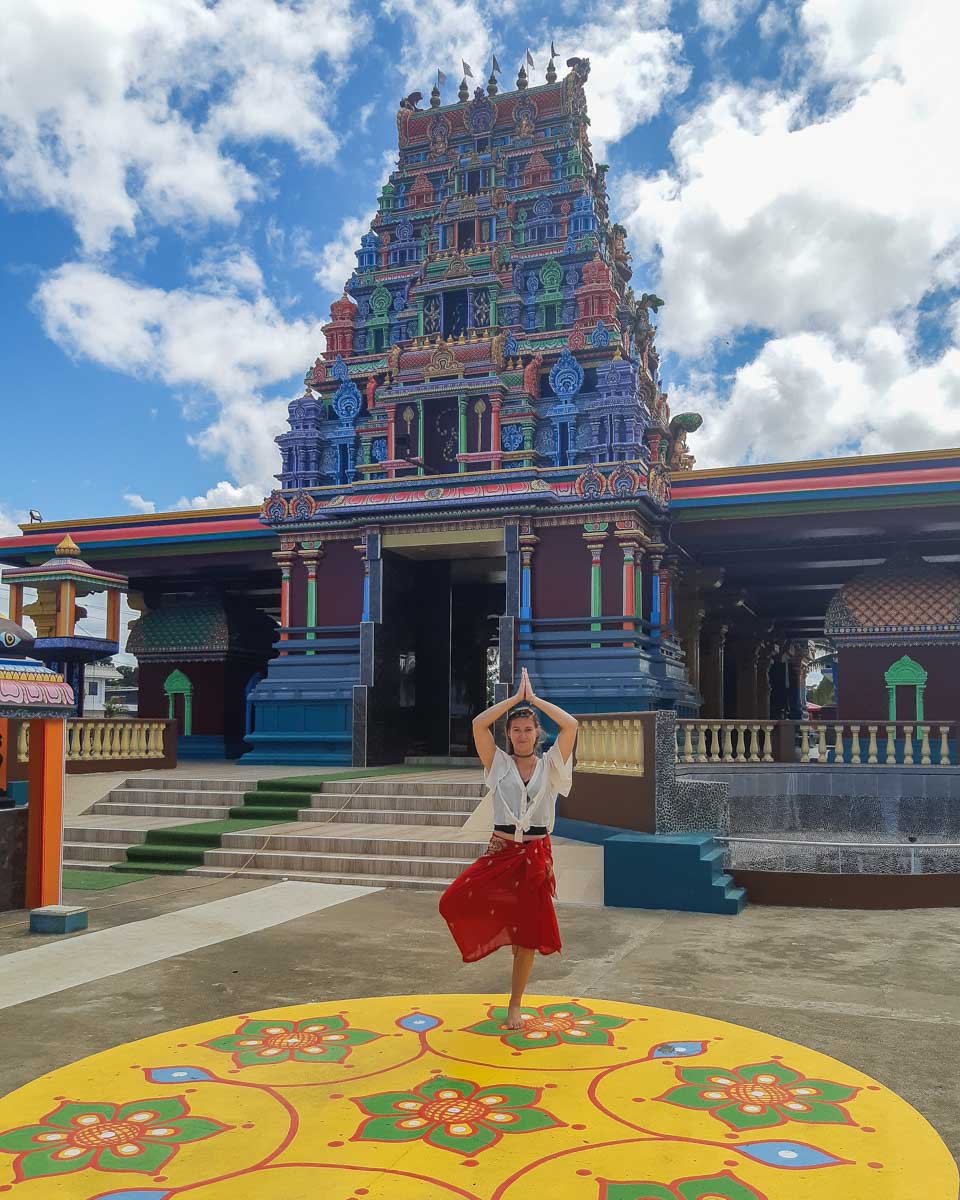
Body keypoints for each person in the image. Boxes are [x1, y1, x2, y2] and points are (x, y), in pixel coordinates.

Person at [438, 667, 578, 1029]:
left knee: (528, 936)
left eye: (528, 729)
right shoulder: (498, 763)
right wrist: (515, 701)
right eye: (516, 730)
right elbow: (478, 725)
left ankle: (515, 1005)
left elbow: (571, 726)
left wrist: (535, 701)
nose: (521, 735)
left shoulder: (551, 765)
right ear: (509, 735)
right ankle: (504, 932)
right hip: (501, 852)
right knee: (452, 899)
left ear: (537, 734)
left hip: (534, 856)